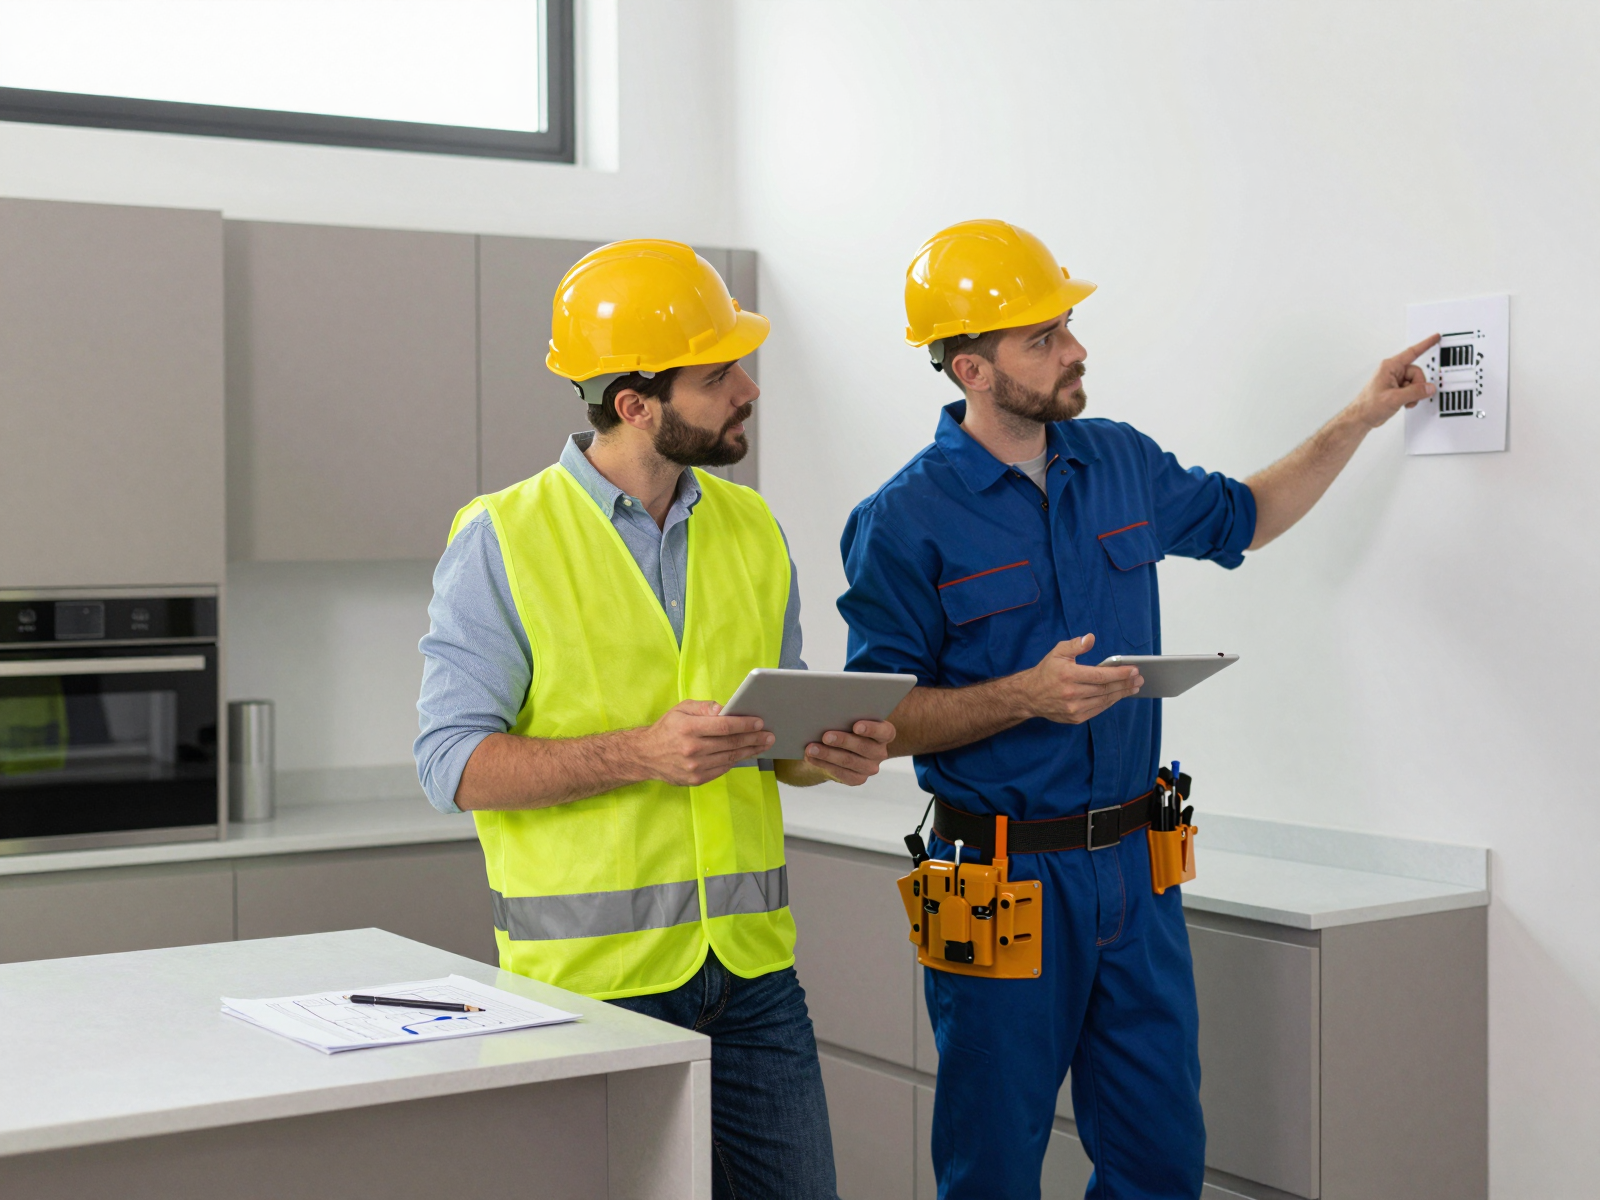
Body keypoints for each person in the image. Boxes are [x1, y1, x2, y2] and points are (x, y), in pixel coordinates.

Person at [837, 220, 1438, 1200]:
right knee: (991, 1164)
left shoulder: (1115, 461)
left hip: (1135, 865)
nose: (1075, 350)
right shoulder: (903, 519)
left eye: (1065, 325)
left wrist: (1361, 416)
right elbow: (882, 722)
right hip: (992, 872)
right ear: (969, 368)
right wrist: (1022, 697)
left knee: (1158, 1159)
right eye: (1043, 338)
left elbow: (1247, 514)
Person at [415, 239, 895, 1200]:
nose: (748, 388)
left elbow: (772, 733)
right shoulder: (504, 537)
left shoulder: (752, 528)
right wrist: (640, 753)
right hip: (591, 986)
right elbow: (450, 764)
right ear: (635, 405)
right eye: (718, 374)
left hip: (753, 978)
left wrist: (823, 751)